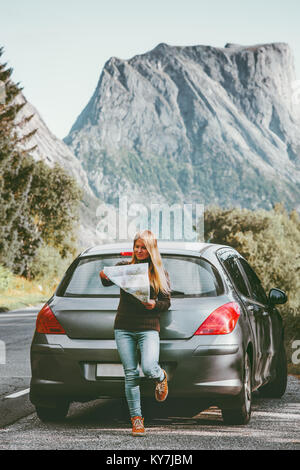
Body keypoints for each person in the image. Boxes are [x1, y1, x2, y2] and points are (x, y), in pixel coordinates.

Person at [99, 230, 171, 437]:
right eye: (136, 247)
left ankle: (161, 376)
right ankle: (137, 420)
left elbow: (167, 303)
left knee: (148, 368)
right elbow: (104, 279)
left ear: (151, 250)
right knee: (130, 374)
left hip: (148, 327)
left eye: (143, 248)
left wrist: (154, 304)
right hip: (124, 327)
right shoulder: (124, 268)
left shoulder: (160, 273)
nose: (139, 251)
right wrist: (103, 273)